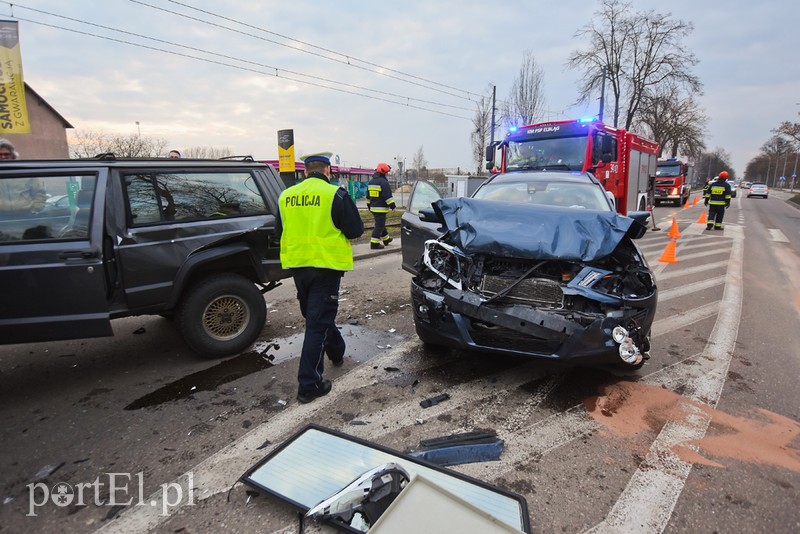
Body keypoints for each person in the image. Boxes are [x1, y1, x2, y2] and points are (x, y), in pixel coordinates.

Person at [278, 151, 364, 403]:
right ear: (328, 171)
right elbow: (355, 230)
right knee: (316, 323)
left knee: (316, 315)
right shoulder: (335, 194)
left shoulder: (286, 196)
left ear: (305, 172)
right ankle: (309, 384)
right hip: (325, 268)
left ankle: (336, 350)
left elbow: (279, 229)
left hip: (297, 266)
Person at [0, 139, 47, 215]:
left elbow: (39, 193)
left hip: (25, 215)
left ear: (12, 155)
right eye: (0, 154)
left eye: (6, 154)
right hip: (1, 216)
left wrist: (36, 209)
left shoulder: (24, 171)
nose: (3, 157)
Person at [366, 162, 396, 249]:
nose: (387, 174)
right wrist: (393, 206)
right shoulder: (384, 182)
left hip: (373, 208)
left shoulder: (371, 182)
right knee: (379, 226)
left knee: (381, 224)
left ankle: (386, 239)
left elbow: (368, 196)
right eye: (387, 172)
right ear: (384, 173)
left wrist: (368, 205)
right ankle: (374, 243)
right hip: (381, 208)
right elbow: (387, 196)